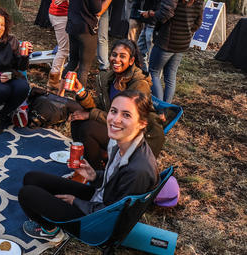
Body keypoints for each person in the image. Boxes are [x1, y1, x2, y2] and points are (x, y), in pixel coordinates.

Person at [19, 90, 159, 242]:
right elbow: (113, 184)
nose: (115, 120)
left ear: (142, 123)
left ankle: (51, 230)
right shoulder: (121, 142)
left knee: (26, 194)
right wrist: (94, 176)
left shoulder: (138, 170)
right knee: (31, 178)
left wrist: (76, 202)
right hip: (99, 197)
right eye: (113, 111)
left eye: (126, 115)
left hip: (95, 223)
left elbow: (111, 214)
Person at [68, 39, 164, 170]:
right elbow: (101, 106)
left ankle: (99, 173)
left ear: (131, 61)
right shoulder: (109, 77)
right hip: (115, 123)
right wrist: (81, 92)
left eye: (122, 56)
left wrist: (90, 115)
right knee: (76, 120)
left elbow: (128, 119)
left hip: (132, 133)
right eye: (114, 54)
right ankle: (84, 161)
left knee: (88, 129)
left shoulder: (139, 84)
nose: (116, 59)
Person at [148, 0, 204, 104]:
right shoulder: (199, 2)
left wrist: (151, 14)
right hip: (182, 44)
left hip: (166, 42)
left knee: (153, 73)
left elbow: (164, 16)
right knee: (170, 77)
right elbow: (198, 23)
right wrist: (186, 32)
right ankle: (166, 108)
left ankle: (160, 109)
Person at [57, 0, 112, 95]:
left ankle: (60, 93)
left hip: (73, 26)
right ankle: (80, 99)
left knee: (72, 62)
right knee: (84, 67)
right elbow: (98, 11)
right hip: (86, 29)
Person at [46, 0, 70, 89]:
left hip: (62, 14)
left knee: (65, 48)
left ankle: (59, 75)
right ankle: (53, 81)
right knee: (64, 49)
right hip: (60, 15)